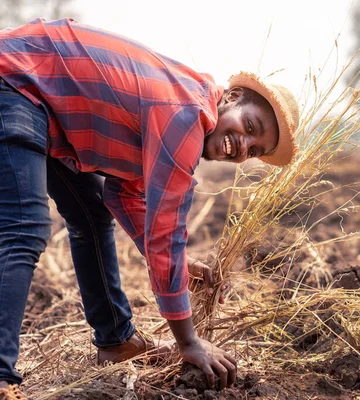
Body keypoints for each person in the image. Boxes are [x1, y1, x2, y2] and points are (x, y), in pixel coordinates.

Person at [0, 17, 299, 397]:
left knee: (91, 213)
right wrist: (187, 341)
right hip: (17, 78)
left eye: (255, 151)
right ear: (233, 98)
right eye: (251, 127)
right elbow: (165, 231)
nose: (244, 146)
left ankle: (116, 342)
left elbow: (123, 195)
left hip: (44, 103)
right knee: (24, 227)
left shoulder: (179, 111)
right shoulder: (187, 113)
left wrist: (182, 268)